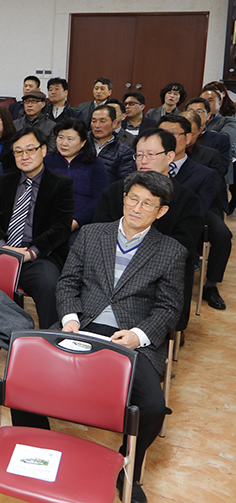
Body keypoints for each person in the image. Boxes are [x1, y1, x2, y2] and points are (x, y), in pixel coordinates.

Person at [36, 171, 185, 503]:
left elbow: (169, 307)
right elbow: (68, 282)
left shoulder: (171, 251)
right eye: (133, 198)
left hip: (129, 338)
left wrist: (138, 335)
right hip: (83, 325)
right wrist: (70, 318)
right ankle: (38, 448)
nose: (136, 207)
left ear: (161, 211)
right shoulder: (91, 235)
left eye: (147, 203)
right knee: (25, 377)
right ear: (123, 197)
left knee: (152, 407)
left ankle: (127, 466)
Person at [94, 129, 203, 338]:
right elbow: (98, 234)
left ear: (170, 156)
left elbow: (183, 247)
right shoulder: (117, 191)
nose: (143, 161)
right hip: (112, 270)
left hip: (159, 279)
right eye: (139, 155)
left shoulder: (188, 200)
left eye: (151, 155)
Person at [0, 127, 74, 330]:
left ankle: (51, 340)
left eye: (30, 150)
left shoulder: (61, 185)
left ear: (43, 150)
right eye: (18, 151)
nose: (24, 156)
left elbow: (61, 227)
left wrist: (31, 253)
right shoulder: (2, 182)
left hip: (38, 255)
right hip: (2, 251)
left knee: (49, 284)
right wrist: (2, 246)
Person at [163, 118, 231, 311]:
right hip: (157, 212)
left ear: (189, 137)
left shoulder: (206, 158)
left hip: (198, 207)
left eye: (173, 134)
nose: (166, 138)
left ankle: (211, 284)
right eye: (162, 133)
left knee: (222, 234)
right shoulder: (150, 162)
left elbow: (206, 196)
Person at [43, 118, 109, 242]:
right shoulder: (46, 161)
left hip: (81, 223)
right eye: (60, 137)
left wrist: (76, 221)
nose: (63, 143)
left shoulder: (95, 164)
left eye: (70, 139)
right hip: (48, 220)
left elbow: (98, 199)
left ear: (83, 142)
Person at [90, 104, 136, 182]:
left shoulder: (125, 152)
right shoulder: (81, 145)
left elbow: (124, 182)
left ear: (114, 123)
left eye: (102, 121)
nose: (97, 125)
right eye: (94, 121)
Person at [177, 110, 226, 179]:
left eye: (191, 134)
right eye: (181, 134)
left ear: (199, 131)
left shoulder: (210, 156)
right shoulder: (161, 152)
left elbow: (215, 184)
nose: (186, 139)